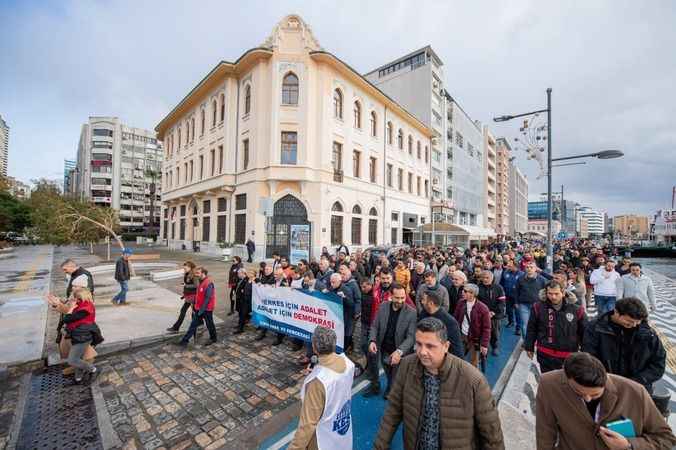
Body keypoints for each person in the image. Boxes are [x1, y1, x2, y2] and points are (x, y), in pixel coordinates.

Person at [374, 317, 504, 450]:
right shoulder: (407, 366)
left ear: (446, 346)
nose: (422, 352)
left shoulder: (473, 380)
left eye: (430, 346)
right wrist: (380, 446)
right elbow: (393, 411)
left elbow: (491, 433)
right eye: (419, 344)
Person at [535, 352, 676, 450]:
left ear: (606, 381)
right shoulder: (549, 384)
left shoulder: (635, 392)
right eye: (579, 393)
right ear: (566, 378)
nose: (588, 399)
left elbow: (666, 439)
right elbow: (545, 431)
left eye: (595, 395)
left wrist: (628, 445)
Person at [289, 326, 355, 450]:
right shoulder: (348, 363)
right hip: (342, 430)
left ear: (314, 347)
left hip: (323, 439)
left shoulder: (317, 383)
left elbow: (307, 425)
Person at [583, 297, 666, 394]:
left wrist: (637, 380)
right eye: (629, 321)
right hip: (606, 387)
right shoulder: (595, 328)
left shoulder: (648, 335)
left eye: (637, 322)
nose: (634, 325)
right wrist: (604, 380)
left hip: (637, 389)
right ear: (616, 312)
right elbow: (589, 359)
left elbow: (658, 363)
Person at [364, 283, 417, 399]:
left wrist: (399, 351)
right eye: (397, 298)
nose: (400, 301)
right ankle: (387, 386)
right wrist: (372, 340)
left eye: (403, 297)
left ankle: (391, 388)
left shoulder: (412, 313)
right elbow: (375, 326)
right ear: (391, 296)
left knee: (396, 374)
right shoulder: (383, 306)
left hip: (399, 351)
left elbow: (411, 337)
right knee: (387, 370)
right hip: (383, 348)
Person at [524, 281, 586, 373]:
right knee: (549, 383)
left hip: (569, 356)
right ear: (546, 293)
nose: (553, 297)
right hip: (545, 354)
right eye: (550, 293)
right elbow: (532, 328)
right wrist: (529, 346)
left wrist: (586, 352)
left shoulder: (577, 310)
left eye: (556, 294)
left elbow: (584, 332)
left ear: (563, 293)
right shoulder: (538, 307)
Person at [46, 289, 103, 384]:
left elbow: (67, 318)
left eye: (75, 298)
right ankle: (78, 379)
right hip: (76, 335)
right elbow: (66, 309)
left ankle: (94, 370)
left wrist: (71, 308)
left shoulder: (85, 308)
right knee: (78, 359)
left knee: (73, 360)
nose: (72, 300)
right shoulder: (81, 304)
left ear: (80, 298)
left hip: (82, 337)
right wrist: (57, 303)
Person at [176, 266, 217, 347]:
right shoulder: (200, 281)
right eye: (196, 273)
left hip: (207, 309)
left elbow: (208, 297)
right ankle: (185, 341)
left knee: (210, 324)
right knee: (193, 325)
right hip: (199, 308)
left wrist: (202, 309)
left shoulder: (208, 283)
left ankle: (213, 338)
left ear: (203, 273)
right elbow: (199, 295)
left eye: (198, 273)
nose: (196, 275)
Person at [453, 284, 491, 369]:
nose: (463, 292)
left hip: (475, 339)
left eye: (465, 291)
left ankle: (473, 380)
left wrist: (484, 345)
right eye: (463, 290)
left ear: (473, 294)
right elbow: (455, 318)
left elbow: (487, 328)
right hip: (462, 335)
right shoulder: (460, 303)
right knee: (458, 358)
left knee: (474, 362)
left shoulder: (483, 308)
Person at [419, 290, 463, 358]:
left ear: (431, 303)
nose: (421, 302)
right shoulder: (423, 313)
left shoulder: (450, 322)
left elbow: (456, 348)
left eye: (423, 300)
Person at [514, 261, 547, 337]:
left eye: (531, 267)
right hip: (523, 305)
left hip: (537, 305)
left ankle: (536, 341)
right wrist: (516, 302)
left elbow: (545, 292)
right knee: (525, 325)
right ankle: (527, 343)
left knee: (538, 324)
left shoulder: (541, 279)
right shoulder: (520, 279)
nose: (529, 269)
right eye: (527, 267)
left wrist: (544, 303)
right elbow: (516, 291)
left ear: (535, 269)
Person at [477, 271, 506, 356]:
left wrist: (493, 312)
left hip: (495, 315)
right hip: (481, 315)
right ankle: (481, 347)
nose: (485, 280)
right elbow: (476, 302)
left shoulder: (499, 288)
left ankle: (495, 347)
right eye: (484, 278)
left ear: (492, 278)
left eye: (487, 278)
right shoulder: (478, 288)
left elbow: (502, 302)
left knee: (494, 332)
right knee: (481, 332)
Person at [167, 261, 198, 333]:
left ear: (190, 268)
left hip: (193, 296)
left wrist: (186, 285)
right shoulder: (187, 274)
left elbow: (197, 285)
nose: (184, 269)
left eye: (185, 268)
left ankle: (176, 327)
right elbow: (189, 283)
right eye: (184, 268)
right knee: (194, 311)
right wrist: (185, 284)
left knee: (186, 311)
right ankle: (198, 324)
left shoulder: (194, 275)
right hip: (189, 296)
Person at [500, 259, 522, 331]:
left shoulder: (521, 274)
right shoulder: (505, 272)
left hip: (517, 297)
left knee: (517, 312)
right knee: (509, 310)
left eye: (510, 266)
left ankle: (518, 328)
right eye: (508, 266)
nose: (508, 267)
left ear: (515, 266)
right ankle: (511, 322)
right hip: (507, 295)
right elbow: (502, 283)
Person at [233, 268, 253, 334]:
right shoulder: (240, 279)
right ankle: (240, 325)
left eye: (239, 273)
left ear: (243, 273)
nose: (238, 275)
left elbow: (246, 291)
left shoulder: (247, 280)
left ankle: (240, 328)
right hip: (239, 300)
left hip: (244, 301)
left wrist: (242, 292)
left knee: (242, 314)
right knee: (240, 313)